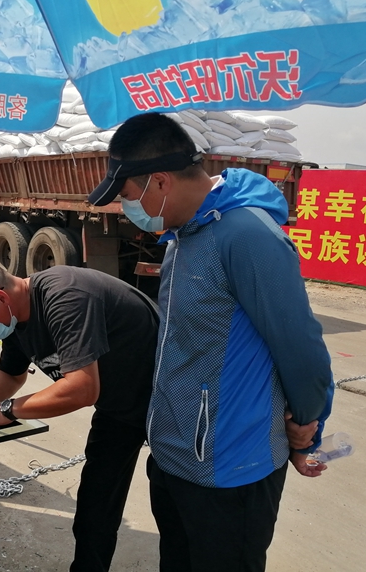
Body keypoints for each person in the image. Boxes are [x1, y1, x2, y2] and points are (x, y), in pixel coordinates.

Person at [87, 112, 334, 572]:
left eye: (127, 195)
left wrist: (307, 427)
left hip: (230, 471)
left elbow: (300, 347)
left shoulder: (247, 236)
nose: (126, 208)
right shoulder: (183, 236)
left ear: (160, 181)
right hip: (176, 461)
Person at [0, 261, 159, 572]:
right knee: (95, 507)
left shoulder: (66, 296)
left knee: (176, 506)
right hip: (119, 407)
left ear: (0, 298)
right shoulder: (14, 317)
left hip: (167, 399)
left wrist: (7, 410)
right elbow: (11, 374)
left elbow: (82, 389)